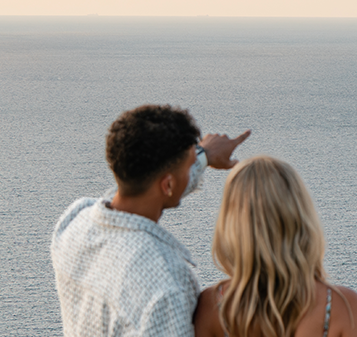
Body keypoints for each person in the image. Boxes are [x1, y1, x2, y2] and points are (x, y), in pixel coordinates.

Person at [51, 104, 250, 337]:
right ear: (168, 184)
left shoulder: (75, 221)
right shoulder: (167, 283)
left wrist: (202, 156)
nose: (192, 168)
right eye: (189, 165)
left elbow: (157, 186)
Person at [193, 156, 357, 337]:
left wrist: (203, 155)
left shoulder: (212, 306)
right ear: (301, 217)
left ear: (231, 226)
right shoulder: (341, 307)